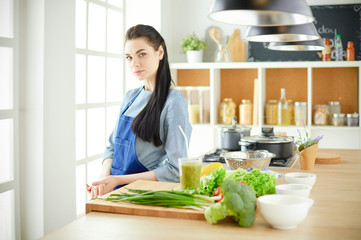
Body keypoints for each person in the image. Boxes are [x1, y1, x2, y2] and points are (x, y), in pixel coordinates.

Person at [86, 24, 192, 198]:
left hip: (144, 195)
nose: (135, 63)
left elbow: (175, 170)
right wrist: (104, 178)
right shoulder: (130, 97)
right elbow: (112, 147)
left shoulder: (174, 102)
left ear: (160, 53)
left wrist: (119, 180)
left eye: (142, 54)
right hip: (114, 192)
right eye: (128, 57)